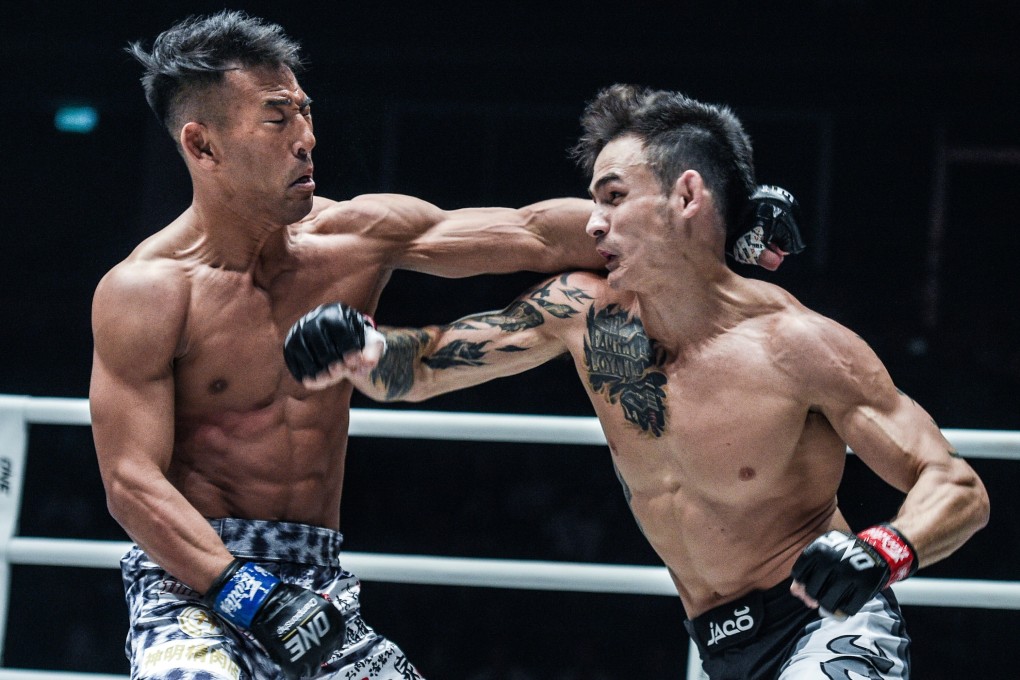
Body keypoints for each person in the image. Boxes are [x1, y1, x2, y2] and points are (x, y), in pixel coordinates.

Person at [89, 12, 795, 680]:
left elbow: (535, 234)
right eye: (277, 117)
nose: (304, 136)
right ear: (201, 144)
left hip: (317, 576)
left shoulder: (354, 238)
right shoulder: (147, 292)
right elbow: (131, 483)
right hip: (190, 585)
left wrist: (713, 219)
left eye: (305, 111)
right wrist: (245, 593)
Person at [283, 85, 990, 679]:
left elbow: (955, 485)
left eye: (614, 197)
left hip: (828, 628)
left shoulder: (798, 347)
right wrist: (359, 347)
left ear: (686, 194)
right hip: (718, 646)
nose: (592, 223)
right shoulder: (584, 314)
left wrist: (883, 550)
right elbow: (428, 365)